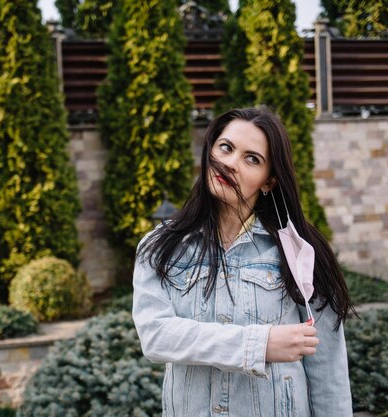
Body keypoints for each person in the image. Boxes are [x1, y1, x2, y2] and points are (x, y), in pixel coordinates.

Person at [132, 107, 355, 416]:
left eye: (252, 159)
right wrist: (258, 345)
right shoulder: (160, 247)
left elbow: (328, 371)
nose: (231, 164)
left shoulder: (298, 251)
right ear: (210, 150)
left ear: (269, 181)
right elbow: (156, 337)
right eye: (226, 147)